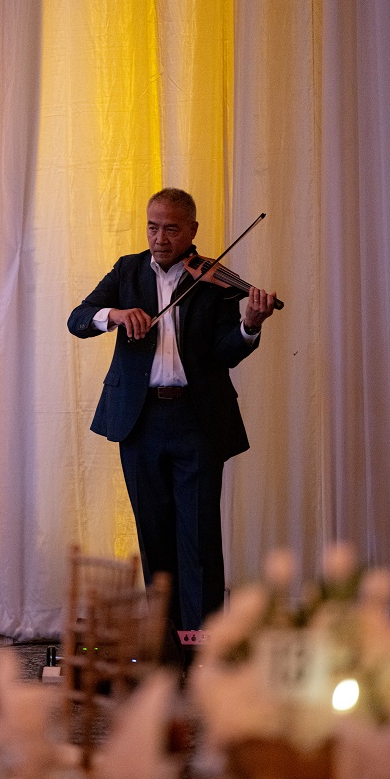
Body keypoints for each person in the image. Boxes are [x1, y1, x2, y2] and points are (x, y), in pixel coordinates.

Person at [67, 188, 276, 658]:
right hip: (138, 421)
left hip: (196, 421)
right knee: (154, 536)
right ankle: (165, 648)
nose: (160, 238)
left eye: (172, 229)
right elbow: (77, 320)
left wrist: (250, 325)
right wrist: (115, 314)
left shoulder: (212, 279)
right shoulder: (126, 271)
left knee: (198, 539)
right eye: (153, 227)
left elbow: (225, 353)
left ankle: (201, 649)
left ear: (192, 231)